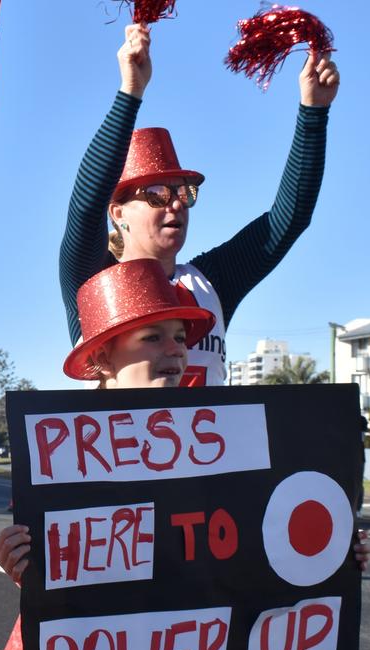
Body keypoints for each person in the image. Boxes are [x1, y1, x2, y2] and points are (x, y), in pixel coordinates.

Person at [0, 260, 370, 650]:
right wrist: (23, 563)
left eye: (179, 337)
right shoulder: (63, 454)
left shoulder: (219, 445)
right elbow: (63, 572)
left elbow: (253, 546)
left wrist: (335, 556)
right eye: (153, 337)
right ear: (104, 358)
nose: (175, 350)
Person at [60, 24, 338, 387]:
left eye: (185, 193)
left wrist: (313, 113)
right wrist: (130, 93)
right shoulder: (94, 280)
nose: (176, 203)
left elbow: (290, 217)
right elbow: (85, 206)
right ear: (118, 213)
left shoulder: (211, 282)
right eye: (157, 194)